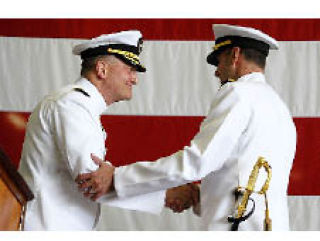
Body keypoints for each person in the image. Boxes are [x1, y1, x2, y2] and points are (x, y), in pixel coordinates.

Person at [76, 24, 297, 231]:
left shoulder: (238, 94)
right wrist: (197, 195)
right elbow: (243, 173)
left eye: (218, 61)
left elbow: (198, 161)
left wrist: (117, 178)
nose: (216, 72)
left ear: (235, 55)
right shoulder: (279, 106)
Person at [18, 30, 146, 230]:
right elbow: (93, 179)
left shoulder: (79, 105)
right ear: (102, 69)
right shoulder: (72, 105)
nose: (134, 79)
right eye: (130, 69)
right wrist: (166, 193)